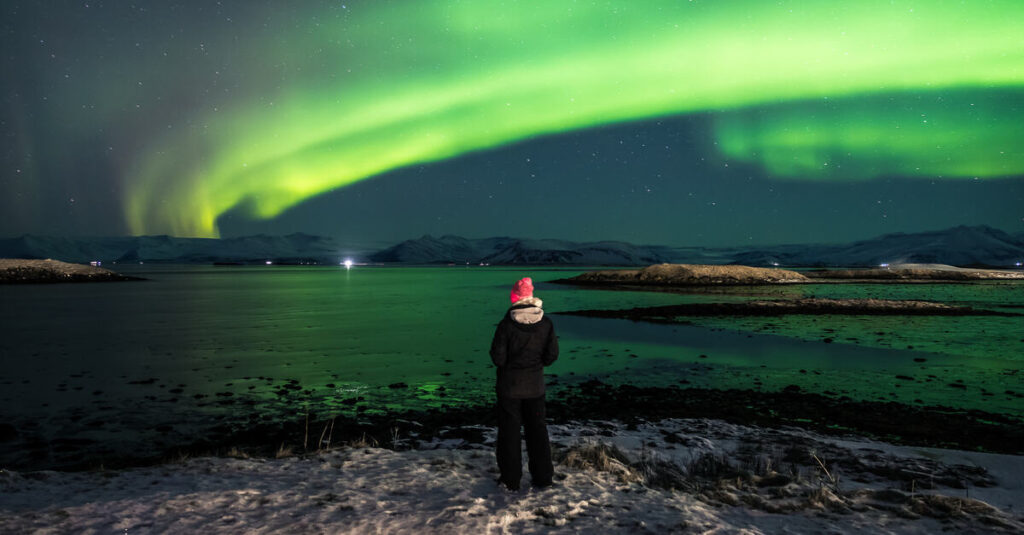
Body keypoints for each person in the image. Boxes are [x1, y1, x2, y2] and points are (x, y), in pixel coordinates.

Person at [489, 276, 559, 491]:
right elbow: (551, 355)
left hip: (509, 388)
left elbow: (498, 358)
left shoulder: (506, 324)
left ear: (515, 297)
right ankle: (543, 477)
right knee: (538, 432)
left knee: (509, 434)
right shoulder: (545, 323)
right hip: (535, 387)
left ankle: (511, 479)